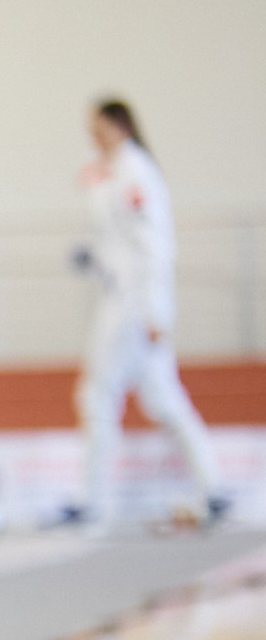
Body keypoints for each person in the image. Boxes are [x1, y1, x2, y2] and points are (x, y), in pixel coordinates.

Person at [62, 99, 226, 532]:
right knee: (163, 398)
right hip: (127, 298)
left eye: (98, 130)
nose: (92, 139)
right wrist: (93, 260)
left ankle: (92, 501)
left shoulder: (135, 172)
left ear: (120, 128)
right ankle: (214, 488)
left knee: (98, 394)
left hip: (133, 305)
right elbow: (118, 243)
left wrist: (156, 311)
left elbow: (153, 246)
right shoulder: (112, 173)